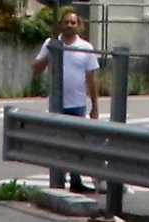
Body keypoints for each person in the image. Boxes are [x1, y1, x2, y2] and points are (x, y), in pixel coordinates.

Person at [33, 10, 100, 196]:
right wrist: (50, 53)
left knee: (76, 145)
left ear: (78, 25)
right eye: (66, 22)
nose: (69, 25)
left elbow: (91, 79)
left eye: (73, 22)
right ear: (60, 25)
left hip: (77, 104)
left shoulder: (85, 47)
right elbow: (36, 69)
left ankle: (76, 181)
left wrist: (95, 106)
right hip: (57, 104)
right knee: (59, 143)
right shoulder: (51, 43)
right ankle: (58, 180)